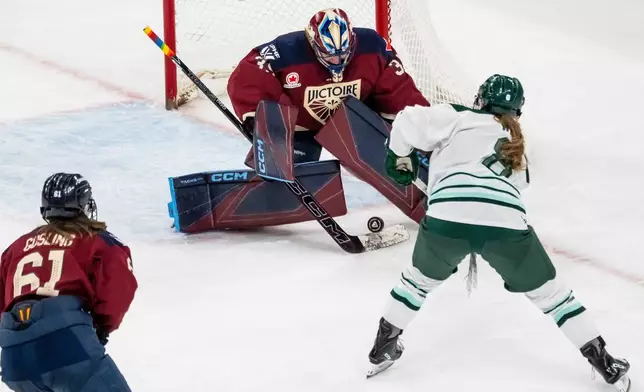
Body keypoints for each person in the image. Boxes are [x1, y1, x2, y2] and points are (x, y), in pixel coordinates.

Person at [365, 74, 631, 391]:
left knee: (416, 283)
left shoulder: (457, 116)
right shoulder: (517, 144)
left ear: (480, 99)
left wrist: (401, 157)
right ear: (517, 112)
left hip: (447, 217)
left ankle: (383, 348)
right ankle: (606, 363)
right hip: (504, 223)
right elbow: (520, 186)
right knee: (555, 297)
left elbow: (407, 120)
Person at [227, 7, 429, 164]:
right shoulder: (284, 51)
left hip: (355, 122)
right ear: (313, 44)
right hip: (300, 124)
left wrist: (415, 126)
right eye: (330, 56)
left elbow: (397, 88)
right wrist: (256, 115)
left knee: (392, 160)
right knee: (290, 178)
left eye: (343, 54)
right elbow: (248, 75)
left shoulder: (373, 47)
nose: (337, 61)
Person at [0, 173, 138, 392]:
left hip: (15, 359)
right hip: (66, 344)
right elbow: (118, 288)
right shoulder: (98, 241)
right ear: (83, 205)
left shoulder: (14, 248)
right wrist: (102, 326)